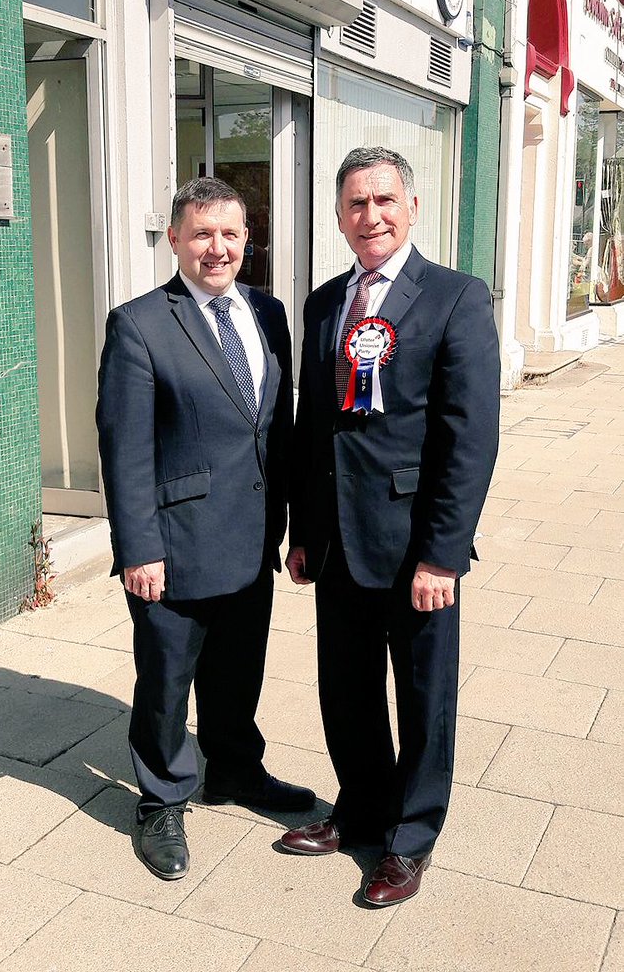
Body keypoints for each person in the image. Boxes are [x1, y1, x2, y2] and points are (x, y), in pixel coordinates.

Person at [281, 147, 500, 906]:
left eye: (383, 201)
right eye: (355, 204)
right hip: (337, 541)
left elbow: (469, 438)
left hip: (414, 546)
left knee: (422, 697)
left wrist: (443, 554)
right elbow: (312, 427)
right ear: (339, 217)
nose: (369, 216)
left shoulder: (455, 297)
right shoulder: (323, 304)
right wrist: (303, 530)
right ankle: (360, 809)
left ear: (411, 207)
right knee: (345, 691)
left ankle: (410, 837)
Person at [97, 177, 314, 881]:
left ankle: (234, 770)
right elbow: (124, 450)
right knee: (167, 680)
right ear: (175, 239)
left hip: (252, 538)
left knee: (237, 670)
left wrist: (295, 527)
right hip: (174, 545)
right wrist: (139, 548)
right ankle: (161, 798)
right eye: (201, 234)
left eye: (229, 234)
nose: (216, 248)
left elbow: (277, 426)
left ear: (247, 239)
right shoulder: (138, 324)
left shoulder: (268, 312)